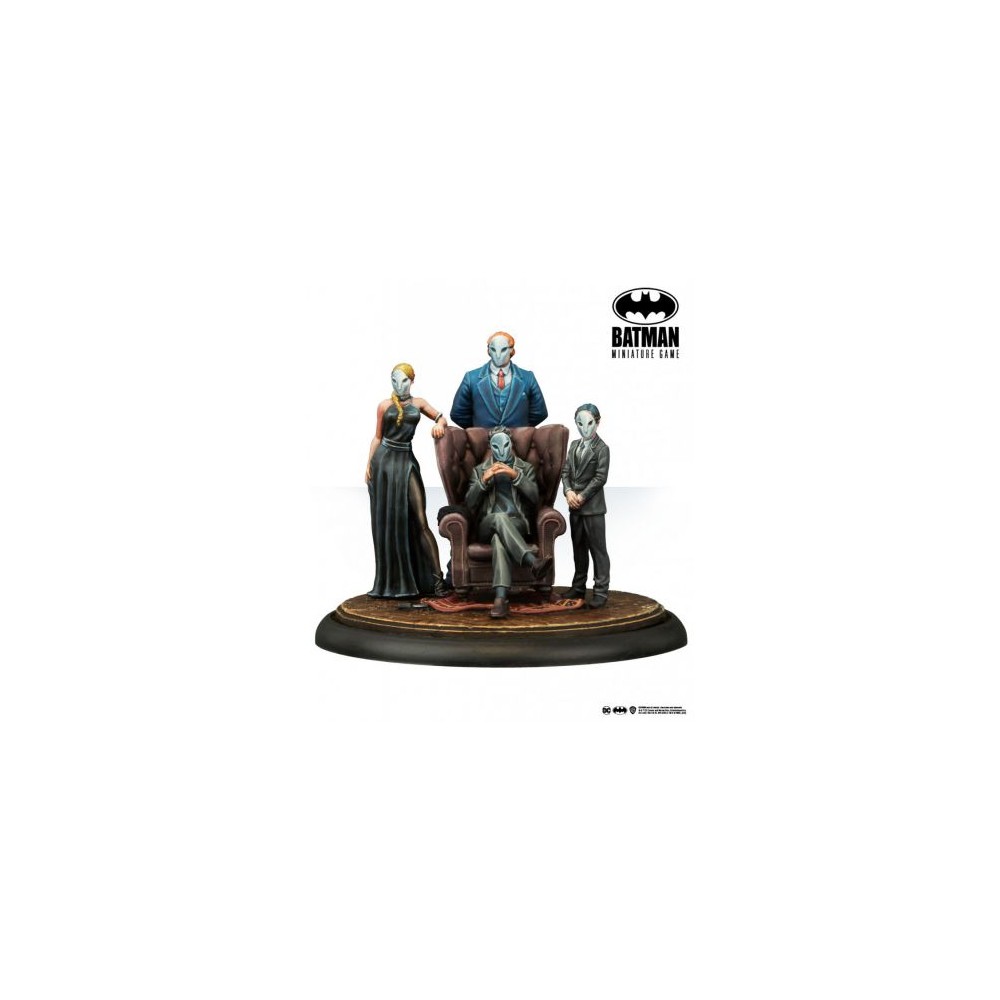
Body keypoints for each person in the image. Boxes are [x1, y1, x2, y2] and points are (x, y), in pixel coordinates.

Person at [365, 363, 448, 598]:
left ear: (412, 380)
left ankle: (437, 581)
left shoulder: (418, 403)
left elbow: (441, 417)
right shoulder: (384, 405)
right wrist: (368, 464)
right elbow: (377, 437)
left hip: (406, 461)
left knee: (421, 521)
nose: (399, 385)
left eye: (403, 380)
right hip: (384, 464)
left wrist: (439, 424)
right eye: (395, 380)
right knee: (389, 523)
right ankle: (393, 583)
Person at [465, 428, 553, 618]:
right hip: (487, 524)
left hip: (517, 524)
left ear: (511, 444)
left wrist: (516, 476)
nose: (502, 451)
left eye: (506, 445)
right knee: (499, 518)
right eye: (496, 447)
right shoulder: (479, 470)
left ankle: (500, 598)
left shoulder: (525, 468)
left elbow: (534, 498)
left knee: (499, 541)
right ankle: (532, 562)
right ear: (490, 447)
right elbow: (469, 503)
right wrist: (483, 481)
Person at [560, 403, 611, 608]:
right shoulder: (574, 445)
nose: (584, 428)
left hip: (593, 508)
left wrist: (582, 496)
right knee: (578, 549)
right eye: (579, 424)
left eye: (589, 423)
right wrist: (568, 491)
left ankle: (601, 590)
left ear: (597, 423)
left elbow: (600, 478)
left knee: (598, 550)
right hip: (575, 507)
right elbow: (565, 472)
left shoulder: (602, 449)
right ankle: (578, 586)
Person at [449, 332, 548, 429]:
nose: (498, 355)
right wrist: (477, 431)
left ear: (511, 350)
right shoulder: (471, 378)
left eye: (503, 350)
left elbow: (540, 413)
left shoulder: (528, 378)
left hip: (518, 439)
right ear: (488, 350)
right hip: (482, 439)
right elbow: (458, 414)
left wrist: (521, 430)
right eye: (493, 349)